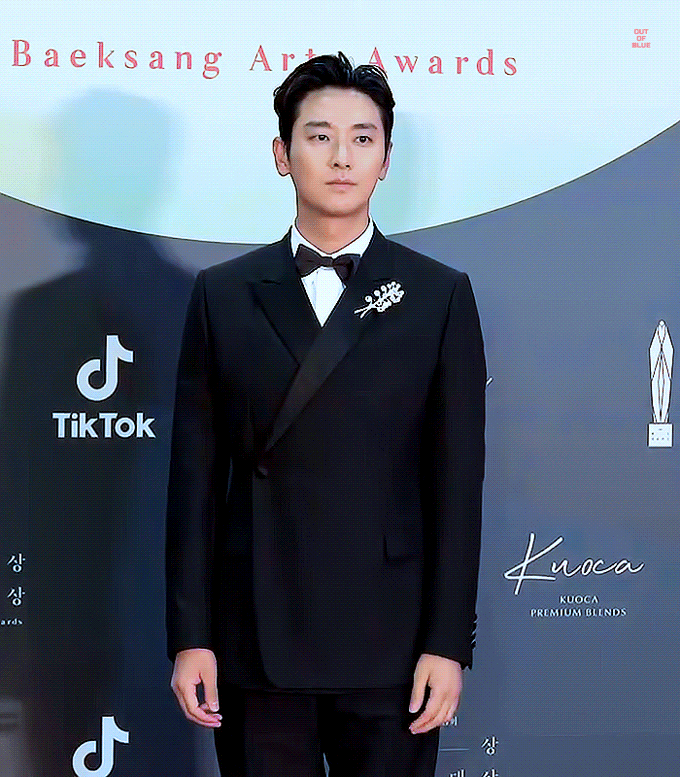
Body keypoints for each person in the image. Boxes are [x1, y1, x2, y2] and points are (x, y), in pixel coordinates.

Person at [166, 51, 486, 777]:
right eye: (319, 136)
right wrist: (191, 637)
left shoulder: (438, 296)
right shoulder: (223, 294)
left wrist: (447, 644)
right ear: (282, 155)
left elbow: (456, 486)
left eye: (362, 138)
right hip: (254, 634)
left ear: (386, 160)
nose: (342, 157)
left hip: (393, 641)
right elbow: (194, 486)